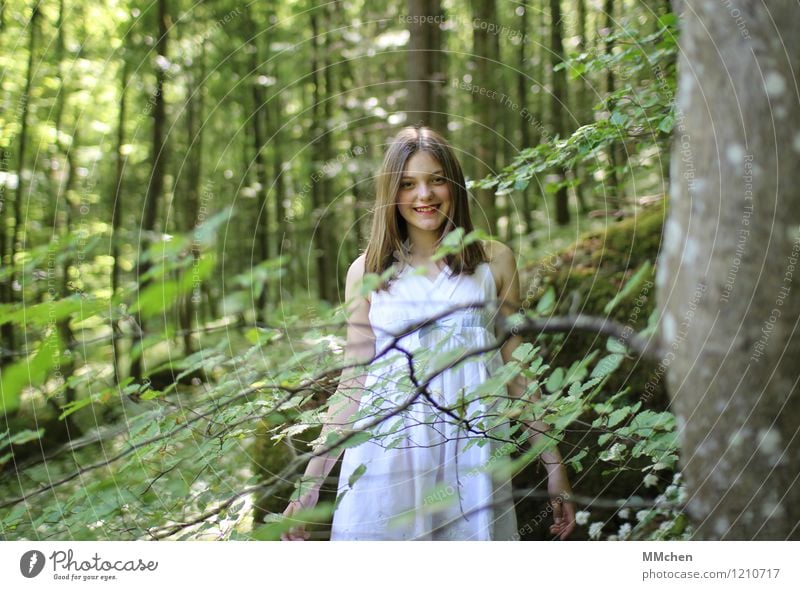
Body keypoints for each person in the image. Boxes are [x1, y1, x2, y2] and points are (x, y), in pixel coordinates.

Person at [281, 126, 576, 541]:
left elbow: (517, 372)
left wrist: (554, 467)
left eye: (436, 179)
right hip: (386, 461)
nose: (424, 195)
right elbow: (353, 384)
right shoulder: (367, 273)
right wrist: (308, 490)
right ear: (391, 192)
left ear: (453, 183)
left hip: (471, 463)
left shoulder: (495, 263)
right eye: (408, 184)